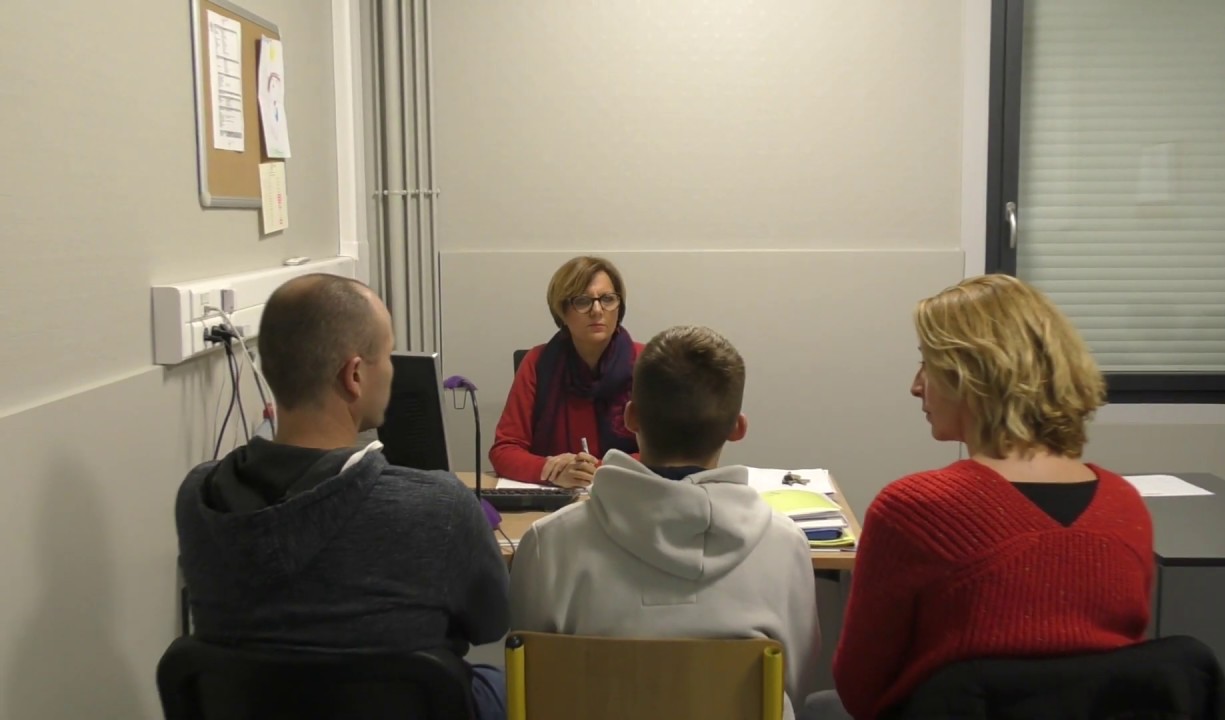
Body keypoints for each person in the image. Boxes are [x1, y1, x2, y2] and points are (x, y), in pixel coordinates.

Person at [174, 274, 509, 719]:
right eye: (387, 355)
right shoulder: (439, 508)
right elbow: (490, 624)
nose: (391, 369)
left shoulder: (199, 499)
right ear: (354, 376)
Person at [829, 274, 1154, 720]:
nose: (916, 386)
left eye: (927, 364)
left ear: (972, 374)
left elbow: (860, 691)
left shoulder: (914, 509)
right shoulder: (1125, 506)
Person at [508, 325, 820, 719]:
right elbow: (793, 684)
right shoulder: (785, 545)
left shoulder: (548, 544)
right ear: (737, 428)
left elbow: (534, 685)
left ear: (630, 417)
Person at [490, 255, 644, 486]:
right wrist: (551, 470)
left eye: (608, 299)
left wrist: (598, 469)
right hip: (557, 498)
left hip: (627, 495)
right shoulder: (537, 362)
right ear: (562, 311)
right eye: (582, 301)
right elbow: (504, 450)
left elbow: (670, 453)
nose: (597, 310)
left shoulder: (647, 362)